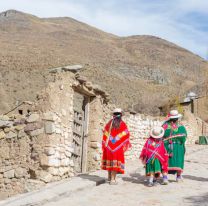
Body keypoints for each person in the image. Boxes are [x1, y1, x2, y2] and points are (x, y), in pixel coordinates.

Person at [101, 108, 131, 185]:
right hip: (117, 147)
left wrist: (112, 140)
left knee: (110, 161)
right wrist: (117, 139)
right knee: (114, 162)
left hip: (109, 146)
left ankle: (109, 177)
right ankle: (113, 180)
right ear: (121, 115)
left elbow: (105, 133)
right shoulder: (122, 124)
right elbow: (126, 134)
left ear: (113, 115)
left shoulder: (109, 124)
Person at [162, 110, 187, 182]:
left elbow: (161, 135)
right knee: (179, 160)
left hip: (166, 146)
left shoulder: (165, 125)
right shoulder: (181, 127)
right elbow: (183, 138)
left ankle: (165, 178)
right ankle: (178, 177)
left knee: (166, 161)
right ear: (177, 118)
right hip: (178, 146)